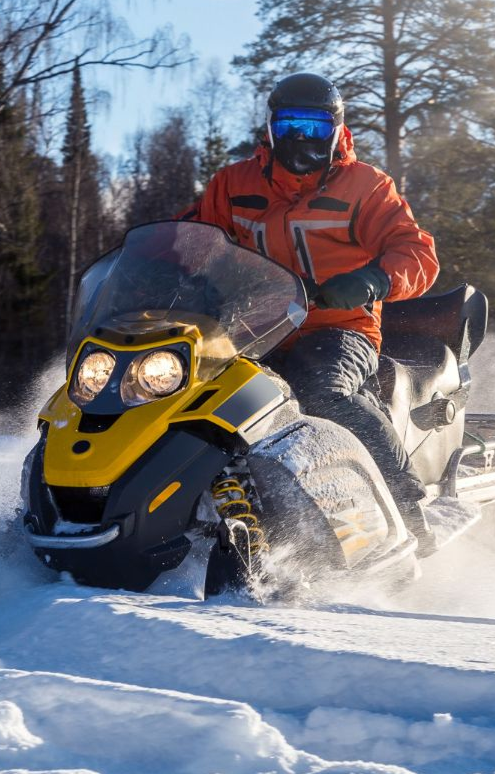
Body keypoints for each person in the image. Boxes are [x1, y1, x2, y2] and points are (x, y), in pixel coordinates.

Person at [183, 72, 440, 555]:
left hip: (339, 326)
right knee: (176, 388)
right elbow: (193, 240)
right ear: (271, 129)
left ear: (337, 131)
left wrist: (374, 279)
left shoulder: (366, 186)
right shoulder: (233, 184)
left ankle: (408, 512)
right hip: (251, 328)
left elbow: (417, 253)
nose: (302, 139)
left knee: (323, 392)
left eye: (315, 128)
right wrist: (152, 268)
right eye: (290, 126)